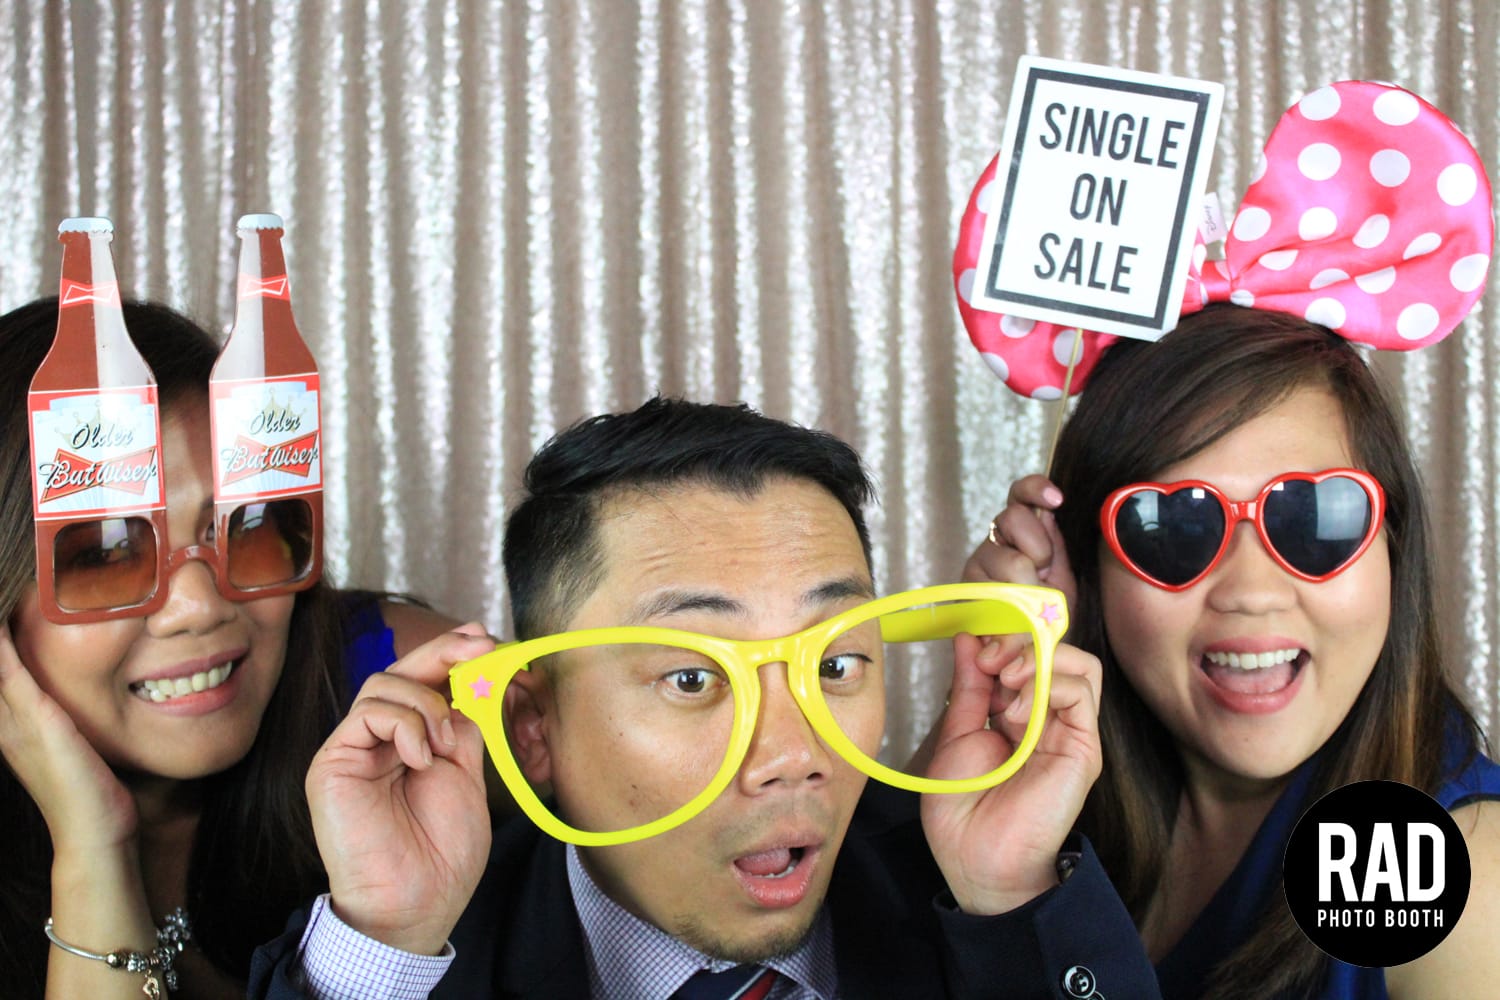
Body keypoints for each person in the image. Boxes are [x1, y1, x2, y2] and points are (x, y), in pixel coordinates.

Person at [249, 395, 1161, 998]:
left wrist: (1010, 892)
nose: (792, 756)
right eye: (692, 679)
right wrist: (387, 935)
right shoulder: (415, 954)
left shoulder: (988, 912)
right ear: (533, 726)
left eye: (835, 665)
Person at [966, 303, 1500, 999]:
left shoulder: (1458, 873)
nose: (1251, 592)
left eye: (1312, 517)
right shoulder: (1068, 794)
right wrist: (988, 678)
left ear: (1393, 549)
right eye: (1172, 528)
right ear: (1083, 574)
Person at [0, 297, 457, 999]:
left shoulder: (405, 686)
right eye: (105, 553)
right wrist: (94, 846)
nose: (200, 605)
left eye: (245, 525)